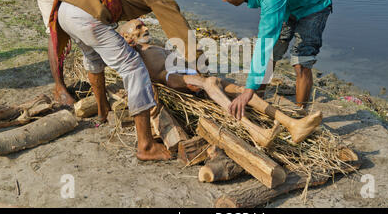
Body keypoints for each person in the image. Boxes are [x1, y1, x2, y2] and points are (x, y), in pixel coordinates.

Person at [48, 0, 196, 161]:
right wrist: (199, 64)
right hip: (86, 15)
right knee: (134, 68)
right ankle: (146, 146)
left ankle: (102, 111)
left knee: (93, 58)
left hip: (66, 9)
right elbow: (179, 28)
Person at [118, 19, 323, 147]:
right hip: (169, 76)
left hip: (183, 70)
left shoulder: (153, 44)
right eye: (138, 26)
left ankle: (292, 124)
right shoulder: (133, 52)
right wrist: (127, 44)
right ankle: (255, 130)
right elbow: (125, 64)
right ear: (127, 35)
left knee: (243, 91)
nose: (145, 27)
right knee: (210, 83)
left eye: (144, 24)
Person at [212, 0, 332, 120]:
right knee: (272, 53)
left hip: (314, 1)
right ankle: (258, 99)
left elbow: (265, 41)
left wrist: (247, 89)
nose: (223, 0)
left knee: (301, 61)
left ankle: (299, 115)